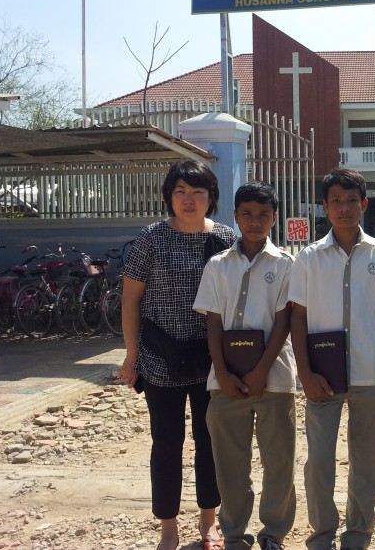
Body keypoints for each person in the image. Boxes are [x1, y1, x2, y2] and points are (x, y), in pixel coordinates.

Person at [116, 160, 237, 550]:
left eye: (198, 192)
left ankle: (208, 524)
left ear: (210, 197)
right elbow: (131, 300)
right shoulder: (151, 237)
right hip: (160, 359)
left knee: (210, 442)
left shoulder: (225, 238)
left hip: (210, 361)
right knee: (166, 444)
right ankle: (168, 528)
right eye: (181, 192)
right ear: (169, 196)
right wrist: (131, 355)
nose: (189, 199)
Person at [288, 168, 375, 550]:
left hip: (372, 375)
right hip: (323, 376)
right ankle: (321, 534)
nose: (344, 208)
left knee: (367, 463)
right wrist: (304, 372)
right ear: (324, 207)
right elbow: (297, 317)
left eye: (352, 200)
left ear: (364, 204)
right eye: (336, 200)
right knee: (318, 461)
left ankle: (358, 535)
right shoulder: (309, 258)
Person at [193, 181, 297, 550]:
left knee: (279, 460)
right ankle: (235, 533)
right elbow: (213, 321)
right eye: (247, 214)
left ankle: (273, 533)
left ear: (274, 219)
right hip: (225, 380)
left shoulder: (286, 264)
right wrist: (221, 371)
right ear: (235, 216)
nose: (255, 222)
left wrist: (260, 370)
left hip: (275, 378)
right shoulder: (219, 265)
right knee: (230, 463)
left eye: (263, 215)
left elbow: (284, 321)